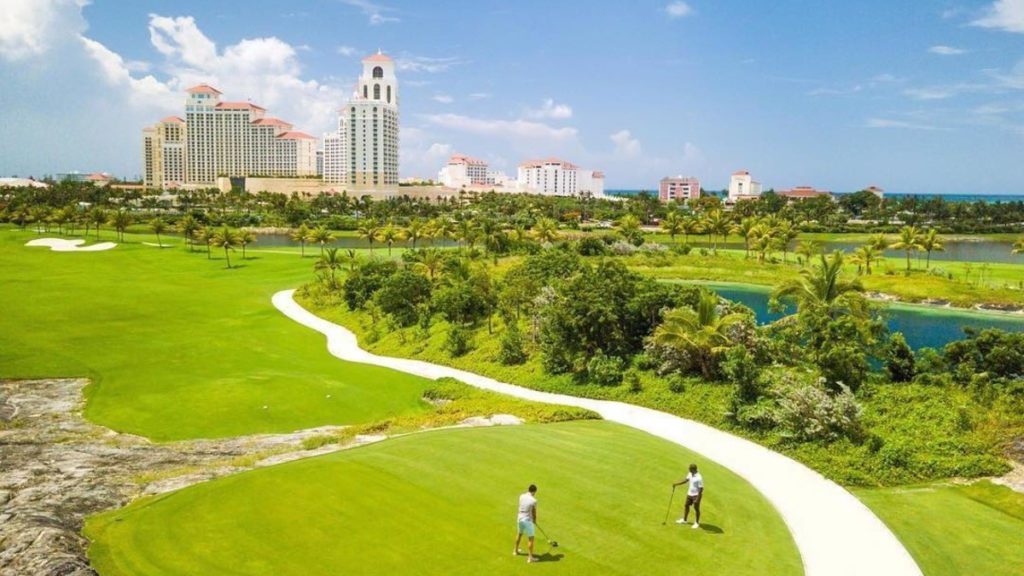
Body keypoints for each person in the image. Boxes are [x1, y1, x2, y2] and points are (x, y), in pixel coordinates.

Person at [673, 463, 704, 529]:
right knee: (686, 506)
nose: (689, 470)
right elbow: (686, 480)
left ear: (693, 469)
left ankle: (696, 523)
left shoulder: (699, 477)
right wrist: (677, 484)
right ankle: (685, 520)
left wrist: (698, 499)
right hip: (689, 494)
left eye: (690, 469)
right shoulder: (690, 473)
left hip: (696, 495)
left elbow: (701, 489)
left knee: (696, 509)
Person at [514, 484, 539, 563]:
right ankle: (530, 558)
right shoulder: (534, 500)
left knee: (519, 534)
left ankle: (515, 551)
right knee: (531, 538)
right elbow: (533, 512)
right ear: (534, 491)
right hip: (527, 520)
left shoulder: (521, 496)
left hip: (519, 518)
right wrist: (534, 520)